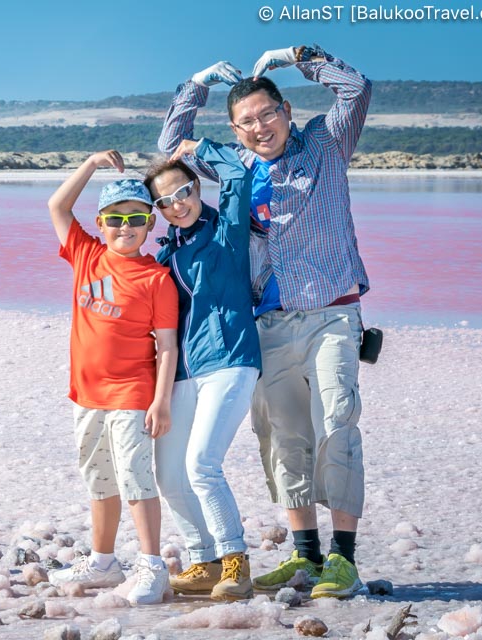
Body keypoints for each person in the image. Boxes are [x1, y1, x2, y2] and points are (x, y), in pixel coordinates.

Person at [158, 45, 372, 599]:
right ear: (235, 128)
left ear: (287, 111)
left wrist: (301, 57)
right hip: (267, 323)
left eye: (267, 114)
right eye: (246, 121)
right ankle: (305, 559)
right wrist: (196, 82)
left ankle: (343, 562)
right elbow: (168, 150)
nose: (259, 127)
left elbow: (356, 89)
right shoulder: (239, 166)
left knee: (338, 425)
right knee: (281, 438)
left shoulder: (326, 143)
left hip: (331, 312)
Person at [45, 149, 179, 605]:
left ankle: (152, 566)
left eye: (136, 218)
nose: (126, 228)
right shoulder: (85, 254)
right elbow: (57, 207)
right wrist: (89, 165)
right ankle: (103, 562)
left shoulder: (156, 279)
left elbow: (167, 346)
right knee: (98, 479)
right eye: (115, 219)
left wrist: (160, 402)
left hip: (132, 395)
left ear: (150, 224)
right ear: (100, 224)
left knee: (135, 479)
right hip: (87, 396)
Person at [145, 138, 261, 601]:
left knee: (202, 465)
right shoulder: (166, 255)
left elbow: (236, 175)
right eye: (165, 202)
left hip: (231, 360)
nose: (177, 205)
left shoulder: (226, 232)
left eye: (183, 193)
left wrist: (201, 147)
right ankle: (204, 561)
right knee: (169, 475)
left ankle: (236, 562)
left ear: (196, 188)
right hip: (182, 374)